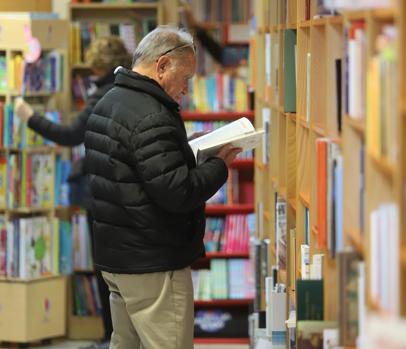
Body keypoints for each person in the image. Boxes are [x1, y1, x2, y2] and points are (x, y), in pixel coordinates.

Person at [83, 26, 242, 348]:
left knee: (125, 343)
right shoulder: (151, 114)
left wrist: (185, 148)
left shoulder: (109, 101)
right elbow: (177, 191)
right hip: (153, 262)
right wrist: (219, 166)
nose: (186, 90)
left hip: (118, 258)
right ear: (162, 65)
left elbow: (136, 172)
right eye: (185, 79)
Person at [14, 36, 132, 344]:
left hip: (101, 195)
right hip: (121, 193)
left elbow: (69, 134)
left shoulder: (102, 95)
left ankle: (111, 337)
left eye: (93, 68)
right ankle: (116, 336)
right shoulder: (127, 91)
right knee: (118, 272)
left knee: (104, 271)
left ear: (101, 67)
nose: (90, 75)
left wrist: (30, 117)